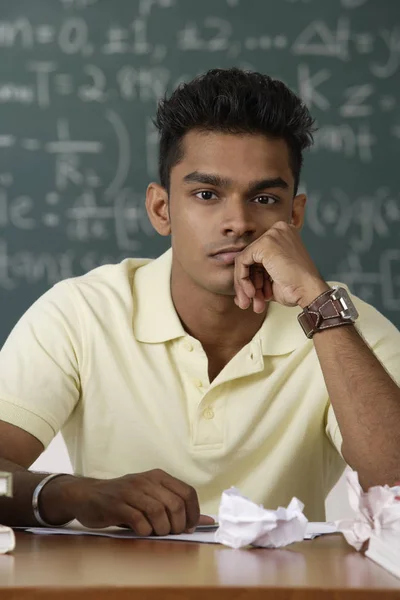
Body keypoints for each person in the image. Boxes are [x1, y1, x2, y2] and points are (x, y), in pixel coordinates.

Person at [0, 68, 399, 536]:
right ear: (161, 209)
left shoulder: (342, 324)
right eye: (207, 194)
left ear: (294, 215)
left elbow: (394, 484)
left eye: (265, 198)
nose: (238, 222)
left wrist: (318, 302)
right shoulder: (80, 313)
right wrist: (70, 492)